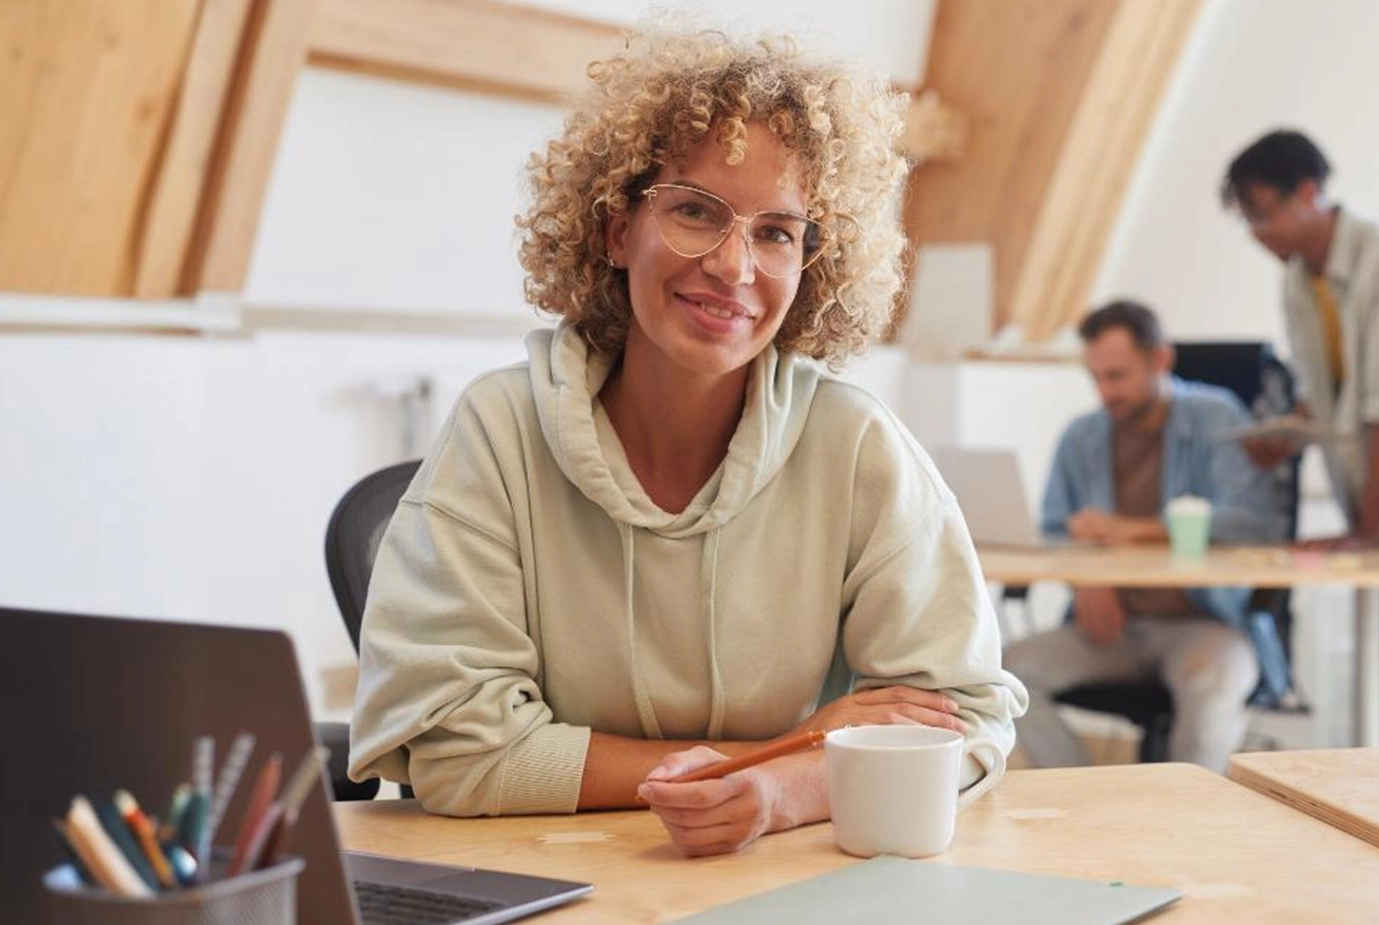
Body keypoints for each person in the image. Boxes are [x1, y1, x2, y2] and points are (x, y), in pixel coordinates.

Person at [348, 27, 1027, 857]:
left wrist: (778, 798)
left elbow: (960, 721)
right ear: (615, 227)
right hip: (547, 882)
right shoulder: (498, 430)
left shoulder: (859, 447)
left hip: (790, 892)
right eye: (696, 212)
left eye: (777, 231)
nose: (734, 266)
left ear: (814, 259)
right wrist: (780, 761)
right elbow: (457, 750)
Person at [1221, 129, 1379, 744]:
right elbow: (1327, 396)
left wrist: (1368, 529)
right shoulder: (1299, 277)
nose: (1258, 233)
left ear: (1310, 193)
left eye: (1265, 213)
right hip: (1365, 494)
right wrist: (1287, 436)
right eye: (1248, 220)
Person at [1003, 301, 1287, 772]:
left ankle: (1183, 822)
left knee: (1216, 680)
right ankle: (1090, 799)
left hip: (1206, 623)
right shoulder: (1081, 437)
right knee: (1006, 674)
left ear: (1160, 360)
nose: (1105, 393)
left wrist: (1133, 531)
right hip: (1110, 630)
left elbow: (1251, 522)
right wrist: (1084, 579)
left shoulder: (1217, 418)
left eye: (1118, 376)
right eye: (1096, 378)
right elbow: (1053, 530)